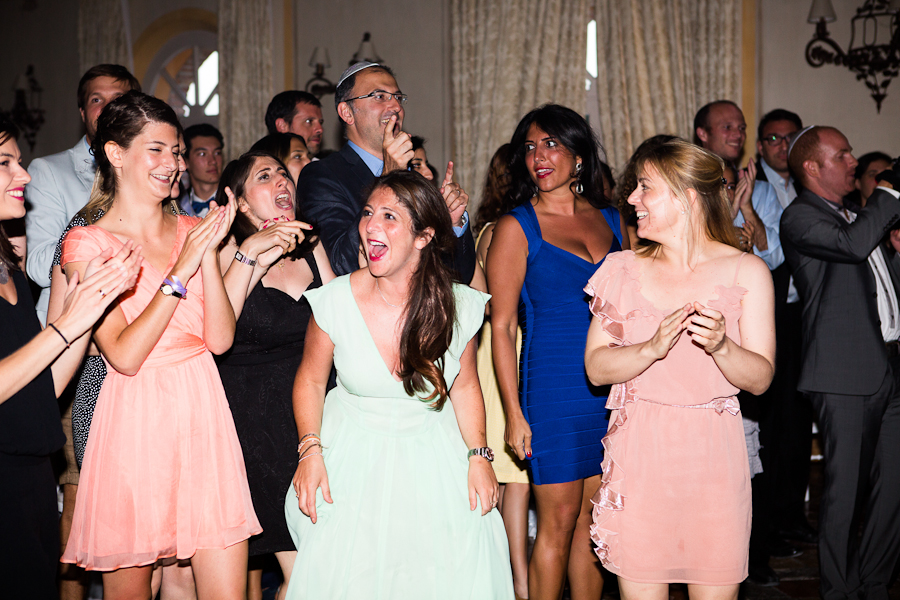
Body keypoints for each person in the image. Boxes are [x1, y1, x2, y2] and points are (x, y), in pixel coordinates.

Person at [59, 91, 260, 599]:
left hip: (203, 418)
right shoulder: (88, 244)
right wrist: (179, 270)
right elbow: (123, 355)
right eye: (158, 150)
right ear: (115, 153)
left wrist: (207, 251)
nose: (173, 164)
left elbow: (219, 339)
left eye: (175, 152)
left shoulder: (193, 230)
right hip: (133, 425)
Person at [284, 170, 513, 598]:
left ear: (424, 236)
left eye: (390, 217)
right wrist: (310, 451)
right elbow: (311, 381)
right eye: (368, 213)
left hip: (434, 457)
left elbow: (463, 387)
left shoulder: (458, 305)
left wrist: (479, 457)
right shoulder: (334, 301)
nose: (371, 225)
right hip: (353, 459)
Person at [584, 138, 776, 595]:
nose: (632, 199)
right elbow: (596, 368)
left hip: (714, 458)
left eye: (645, 188)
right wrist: (650, 348)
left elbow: (762, 378)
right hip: (642, 456)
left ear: (688, 197)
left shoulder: (747, 272)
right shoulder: (620, 268)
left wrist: (722, 346)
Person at [488, 104, 628, 600]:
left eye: (550, 144)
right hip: (552, 390)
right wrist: (512, 412)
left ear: (579, 155)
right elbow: (501, 327)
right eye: (529, 147)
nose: (538, 156)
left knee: (592, 523)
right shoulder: (515, 227)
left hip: (609, 388)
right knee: (557, 521)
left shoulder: (613, 220)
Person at [0, 117, 140, 600]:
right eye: (5, 163)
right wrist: (63, 324)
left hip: (32, 481)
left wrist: (87, 306)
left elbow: (46, 388)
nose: (24, 176)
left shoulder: (12, 276)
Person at [780, 126, 900, 600]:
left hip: (888, 366)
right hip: (842, 374)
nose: (853, 161)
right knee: (844, 495)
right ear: (813, 167)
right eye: (844, 154)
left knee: (892, 490)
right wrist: (888, 191)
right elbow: (851, 247)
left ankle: (873, 584)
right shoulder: (800, 217)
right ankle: (838, 592)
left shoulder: (854, 216)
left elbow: (880, 287)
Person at [216, 151, 334, 600]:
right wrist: (254, 256)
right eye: (264, 177)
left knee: (322, 558)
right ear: (242, 204)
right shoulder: (226, 249)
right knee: (306, 567)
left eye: (284, 173)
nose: (282, 180)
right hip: (253, 425)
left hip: (316, 417)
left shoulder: (311, 243)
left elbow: (342, 319)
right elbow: (217, 330)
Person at [296, 61, 475, 281]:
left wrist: (453, 224)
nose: (396, 107)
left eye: (397, 97)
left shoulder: (415, 176)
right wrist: (388, 179)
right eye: (380, 96)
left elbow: (459, 277)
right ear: (347, 112)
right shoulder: (322, 175)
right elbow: (341, 263)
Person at [469, 143, 530, 599]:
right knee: (513, 476)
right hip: (502, 348)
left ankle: (513, 581)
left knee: (513, 478)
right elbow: (493, 305)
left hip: (503, 346)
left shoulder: (490, 227)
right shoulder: (500, 231)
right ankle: (519, 584)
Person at [180, 123, 225, 217]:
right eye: (202, 154)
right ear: (185, 161)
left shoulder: (236, 199)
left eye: (217, 153)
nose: (213, 161)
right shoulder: (178, 204)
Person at [264, 90, 325, 157]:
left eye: (320, 122)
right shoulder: (260, 165)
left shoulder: (325, 166)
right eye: (309, 121)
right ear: (282, 126)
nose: (320, 129)